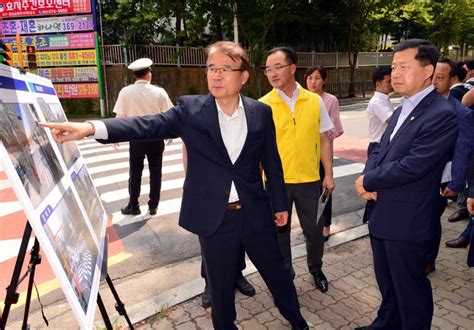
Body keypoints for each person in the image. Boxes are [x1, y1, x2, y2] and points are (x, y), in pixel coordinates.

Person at [41, 41, 309, 330]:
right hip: (215, 221)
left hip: (256, 214)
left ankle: (298, 322)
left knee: (279, 276)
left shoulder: (260, 113)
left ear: (243, 76)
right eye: (212, 68)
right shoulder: (190, 110)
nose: (216, 75)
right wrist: (91, 128)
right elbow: (145, 125)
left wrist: (280, 204)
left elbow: (273, 162)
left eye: (225, 69)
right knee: (220, 294)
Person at [354, 39, 458, 329]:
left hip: (408, 220)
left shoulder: (441, 113)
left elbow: (414, 164)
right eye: (393, 67)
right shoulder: (400, 109)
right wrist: (366, 178)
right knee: (388, 283)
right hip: (382, 213)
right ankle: (385, 324)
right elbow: (379, 150)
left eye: (403, 66)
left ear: (428, 70)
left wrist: (368, 179)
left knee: (410, 290)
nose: (395, 73)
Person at [260, 47, 336, 293]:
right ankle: (285, 276)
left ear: (293, 68)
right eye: (268, 69)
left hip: (310, 180)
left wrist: (329, 174)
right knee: (279, 235)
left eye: (278, 67)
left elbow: (325, 138)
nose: (272, 73)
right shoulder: (262, 106)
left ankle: (316, 268)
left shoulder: (314, 101)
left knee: (315, 231)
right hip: (276, 184)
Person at [181, 144, 255, 308]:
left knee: (237, 235)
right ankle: (210, 283)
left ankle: (237, 275)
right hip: (207, 187)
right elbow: (187, 148)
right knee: (208, 238)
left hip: (235, 186)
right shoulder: (197, 118)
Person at [428, 57, 474, 272]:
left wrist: (456, 183)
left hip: (441, 178)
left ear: (453, 79)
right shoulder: (421, 104)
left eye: (440, 78)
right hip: (417, 174)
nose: (434, 82)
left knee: (430, 220)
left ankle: (428, 260)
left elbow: (463, 150)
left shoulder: (462, 113)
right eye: (432, 77)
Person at [113, 58, 174, 216]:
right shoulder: (159, 92)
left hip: (136, 138)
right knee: (156, 172)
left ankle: (133, 205)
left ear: (135, 75)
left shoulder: (125, 92)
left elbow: (120, 118)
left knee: (135, 172)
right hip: (156, 137)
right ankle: (153, 206)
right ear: (149, 74)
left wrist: (116, 137)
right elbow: (169, 116)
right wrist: (170, 134)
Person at [304, 65, 344, 240]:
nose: (313, 82)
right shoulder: (301, 99)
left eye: (317, 78)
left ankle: (326, 225)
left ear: (324, 80)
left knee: (324, 189)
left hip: (322, 153)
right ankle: (310, 226)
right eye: (310, 78)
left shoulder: (330, 100)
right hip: (304, 154)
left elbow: (335, 129)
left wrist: (319, 134)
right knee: (306, 192)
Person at [362, 66, 394, 224]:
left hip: (384, 146)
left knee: (382, 183)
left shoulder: (385, 99)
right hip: (377, 147)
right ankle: (371, 218)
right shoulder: (376, 102)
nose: (391, 84)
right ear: (378, 83)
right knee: (374, 184)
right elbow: (392, 121)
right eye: (388, 81)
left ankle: (377, 216)